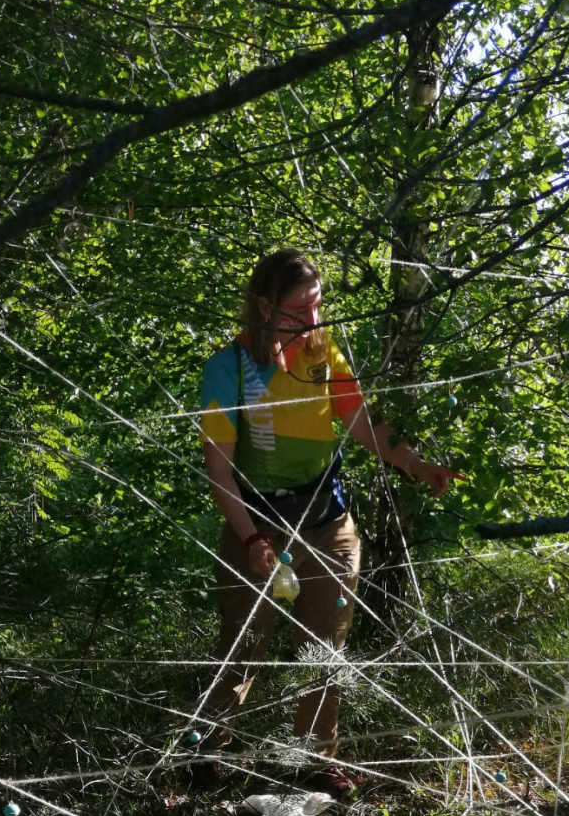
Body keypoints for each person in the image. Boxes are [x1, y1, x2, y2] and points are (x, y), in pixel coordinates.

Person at [194, 248, 458, 765]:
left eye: (318, 307)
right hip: (258, 526)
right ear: (265, 308)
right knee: (240, 649)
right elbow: (220, 471)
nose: (313, 320)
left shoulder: (324, 353)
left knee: (322, 654)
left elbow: (364, 426)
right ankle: (209, 760)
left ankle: (317, 764)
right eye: (300, 311)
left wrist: (416, 464)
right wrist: (251, 540)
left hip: (327, 525)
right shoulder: (228, 368)